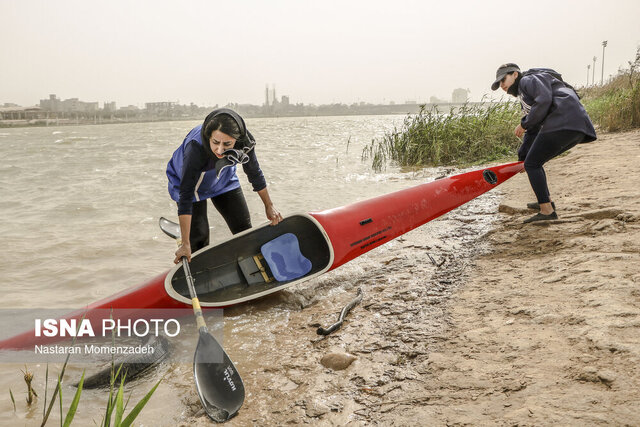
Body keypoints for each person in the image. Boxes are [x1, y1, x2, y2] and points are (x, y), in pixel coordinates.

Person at [166, 108, 283, 264]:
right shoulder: (196, 148)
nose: (220, 150)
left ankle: (253, 269)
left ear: (237, 139)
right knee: (199, 242)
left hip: (223, 178)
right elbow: (186, 195)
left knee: (243, 230)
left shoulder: (246, 142)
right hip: (190, 185)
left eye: (227, 144)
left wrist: (269, 205)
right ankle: (187, 243)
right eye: (215, 142)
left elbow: (254, 173)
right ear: (209, 137)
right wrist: (186, 244)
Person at [491, 63, 597, 223]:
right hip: (573, 125)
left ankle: (547, 210)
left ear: (514, 74)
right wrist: (522, 158)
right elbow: (533, 127)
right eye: (499, 84)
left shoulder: (527, 80)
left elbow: (544, 101)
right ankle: (546, 201)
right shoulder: (525, 94)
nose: (502, 86)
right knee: (534, 162)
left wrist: (524, 124)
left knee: (533, 164)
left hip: (564, 121)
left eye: (503, 80)